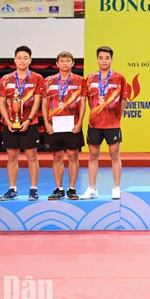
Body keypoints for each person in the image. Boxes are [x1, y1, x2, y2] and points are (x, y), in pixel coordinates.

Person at [0, 46, 44, 201]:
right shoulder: (6, 79)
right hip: (10, 123)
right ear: (14, 60)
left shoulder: (37, 78)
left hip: (30, 123)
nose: (22, 60)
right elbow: (2, 103)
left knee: (32, 156)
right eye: (19, 58)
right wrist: (8, 121)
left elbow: (37, 101)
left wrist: (29, 119)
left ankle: (33, 189)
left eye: (25, 58)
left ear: (30, 60)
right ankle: (12, 189)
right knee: (12, 157)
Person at [81, 46, 128, 200]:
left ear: (111, 59)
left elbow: (123, 100)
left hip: (113, 124)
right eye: (101, 58)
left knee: (115, 155)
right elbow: (87, 100)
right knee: (93, 156)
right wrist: (95, 113)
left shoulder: (119, 77)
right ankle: (92, 188)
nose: (104, 61)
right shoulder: (89, 78)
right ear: (97, 59)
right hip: (94, 124)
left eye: (107, 58)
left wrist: (117, 117)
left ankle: (116, 187)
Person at [42, 51, 87, 200]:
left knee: (73, 156)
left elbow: (82, 104)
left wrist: (80, 122)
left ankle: (72, 189)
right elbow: (44, 103)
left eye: (68, 61)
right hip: (54, 125)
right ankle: (59, 188)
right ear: (57, 64)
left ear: (73, 63)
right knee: (57, 157)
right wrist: (47, 123)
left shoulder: (80, 81)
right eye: (62, 61)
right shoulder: (48, 81)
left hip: (72, 124)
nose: (65, 63)